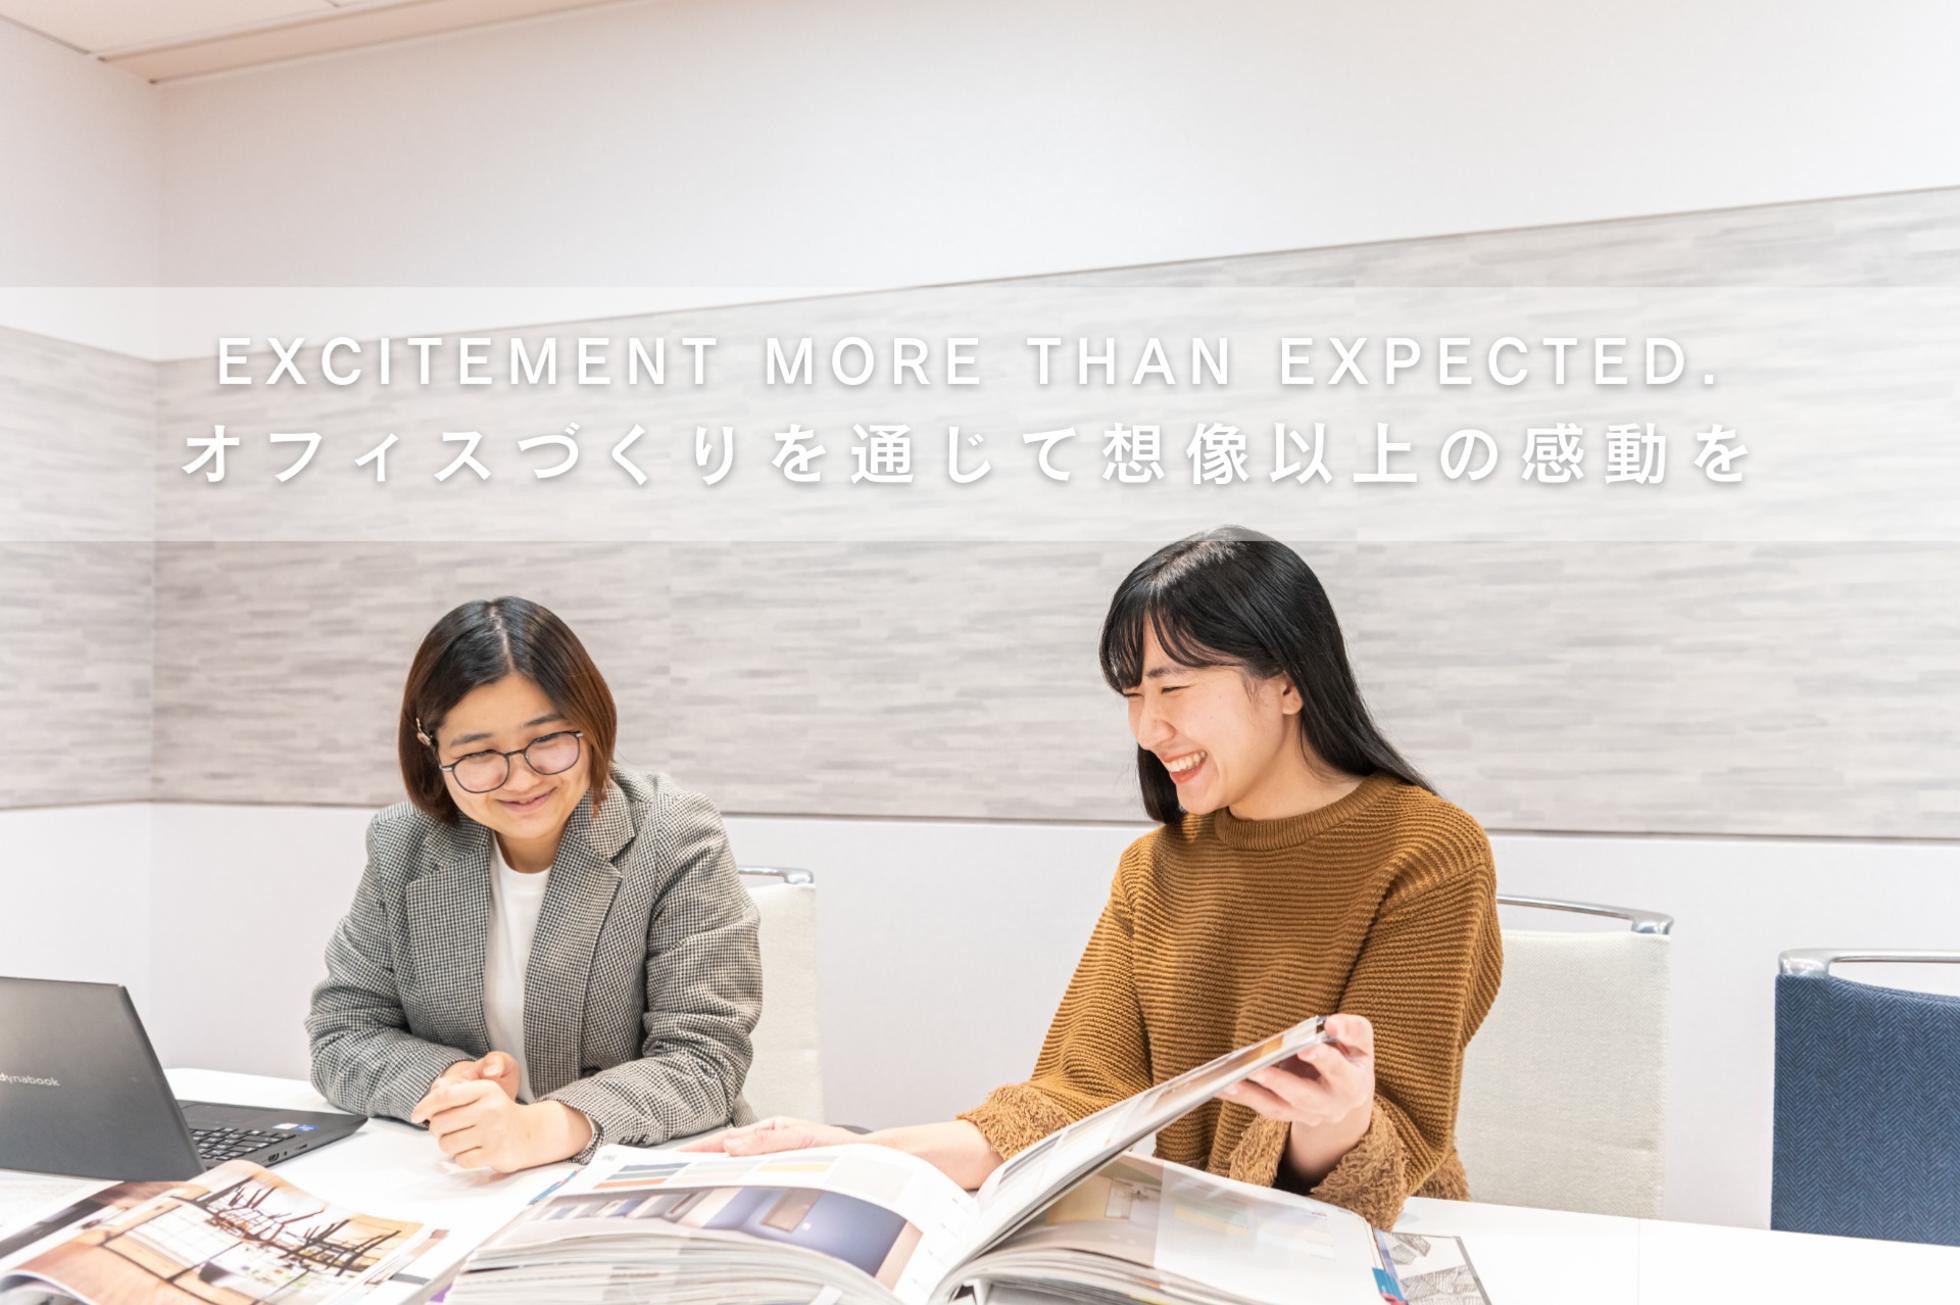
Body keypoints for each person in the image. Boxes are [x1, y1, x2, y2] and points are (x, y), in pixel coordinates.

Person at [690, 527, 1502, 1229]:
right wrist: (862, 1152)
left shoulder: (1428, 850)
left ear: (1288, 680)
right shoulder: (1156, 868)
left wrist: (1332, 1118)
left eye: (1174, 687)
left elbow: (1387, 1140)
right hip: (1190, 1242)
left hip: (1367, 1245)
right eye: (1133, 694)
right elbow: (1078, 1095)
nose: (1149, 727)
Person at [306, 596, 762, 1172]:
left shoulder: (674, 833)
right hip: (464, 1177)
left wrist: (537, 1128)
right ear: (431, 751)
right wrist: (457, 1083)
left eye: (547, 740)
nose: (520, 780)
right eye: (478, 752)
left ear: (592, 723)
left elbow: (704, 1061)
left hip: (641, 1171)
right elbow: (344, 1032)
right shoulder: (403, 845)